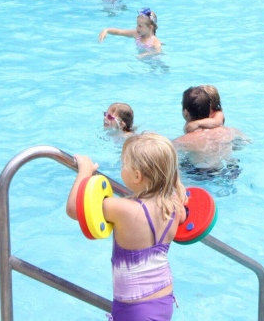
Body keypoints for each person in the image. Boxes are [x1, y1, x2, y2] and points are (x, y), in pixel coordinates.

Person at [66, 134, 185, 321]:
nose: (121, 167)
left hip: (134, 310)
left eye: (123, 164)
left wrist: (85, 171)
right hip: (163, 300)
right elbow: (185, 216)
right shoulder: (174, 207)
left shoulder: (123, 210)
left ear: (137, 176)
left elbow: (74, 209)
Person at [173, 87, 243, 169]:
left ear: (185, 112)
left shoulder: (179, 142)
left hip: (200, 174)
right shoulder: (231, 131)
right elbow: (246, 142)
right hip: (225, 169)